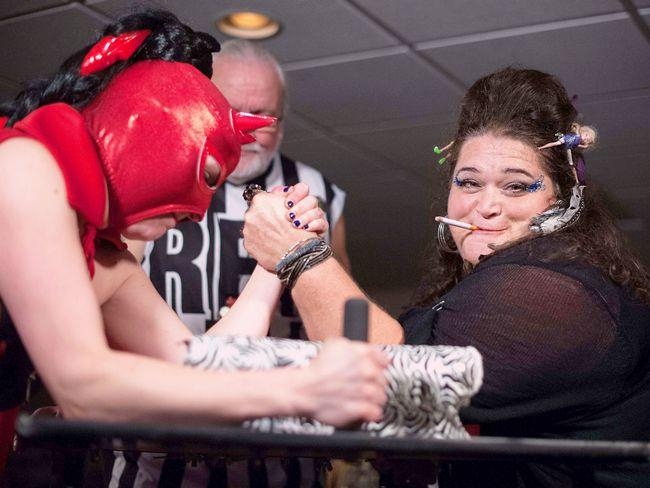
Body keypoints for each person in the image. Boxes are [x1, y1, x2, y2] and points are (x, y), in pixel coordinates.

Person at [0, 8, 390, 479]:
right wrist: (301, 389)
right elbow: (81, 383)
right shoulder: (25, 165)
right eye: (206, 176)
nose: (195, 213)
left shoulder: (106, 259)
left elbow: (200, 362)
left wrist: (277, 257)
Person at [242, 67, 650, 487]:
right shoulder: (485, 289)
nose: (486, 206)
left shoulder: (557, 295)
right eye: (469, 182)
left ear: (563, 200)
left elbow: (391, 379)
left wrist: (299, 254)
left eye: (516, 186)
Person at [132, 39, 349, 336]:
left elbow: (344, 312)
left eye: (261, 118)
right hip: (167, 368)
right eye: (231, 112)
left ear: (282, 124)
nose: (246, 132)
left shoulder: (317, 190)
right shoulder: (152, 178)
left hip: (285, 376)